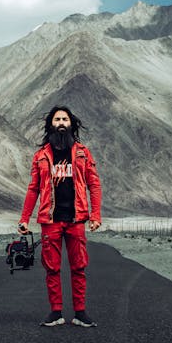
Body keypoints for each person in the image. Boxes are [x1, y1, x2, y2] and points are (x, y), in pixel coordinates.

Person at [18, 106, 102, 327]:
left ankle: (80, 313)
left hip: (76, 219)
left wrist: (95, 215)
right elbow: (33, 188)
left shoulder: (83, 153)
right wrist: (24, 218)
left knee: (79, 267)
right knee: (52, 267)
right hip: (50, 220)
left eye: (65, 119)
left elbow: (94, 185)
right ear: (51, 124)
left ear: (71, 123)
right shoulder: (41, 156)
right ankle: (56, 312)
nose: (62, 122)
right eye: (57, 119)